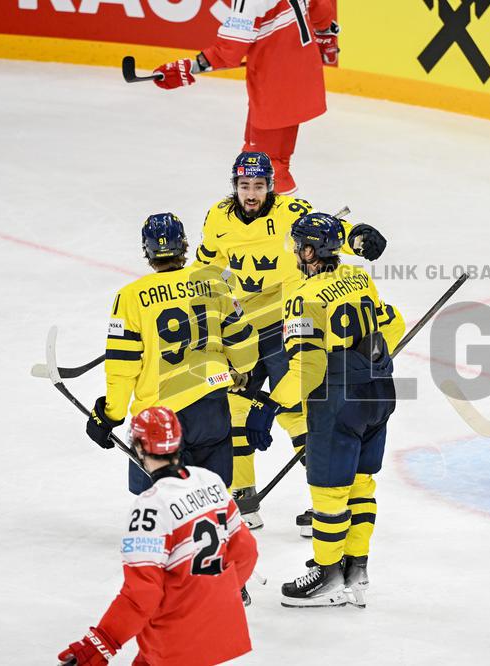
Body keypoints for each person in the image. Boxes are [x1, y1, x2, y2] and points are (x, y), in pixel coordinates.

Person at [195, 152, 388, 529]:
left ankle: (320, 500)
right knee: (234, 409)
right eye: (244, 186)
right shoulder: (217, 216)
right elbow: (207, 263)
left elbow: (328, 231)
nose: (251, 194)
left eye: (259, 186)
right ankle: (243, 498)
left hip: (288, 322)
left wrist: (359, 237)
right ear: (234, 186)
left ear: (271, 185)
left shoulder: (291, 210)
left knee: (296, 413)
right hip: (241, 327)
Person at [244, 212, 404, 608]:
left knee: (330, 493)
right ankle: (357, 569)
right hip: (380, 393)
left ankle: (328, 574)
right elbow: (393, 324)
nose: (295, 251)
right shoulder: (359, 278)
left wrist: (271, 405)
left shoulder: (303, 297)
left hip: (339, 401)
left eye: (299, 245)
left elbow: (307, 367)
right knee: (363, 484)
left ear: (312, 251)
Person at [59, 407, 258, 666]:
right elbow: (246, 552)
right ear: (177, 440)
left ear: (139, 448)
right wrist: (210, 602)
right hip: (218, 630)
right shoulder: (210, 481)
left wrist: (101, 644)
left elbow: (142, 594)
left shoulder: (151, 508)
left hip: (174, 640)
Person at [85, 213, 258, 495]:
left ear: (147, 250)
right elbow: (243, 341)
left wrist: (109, 415)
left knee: (164, 501)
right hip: (211, 405)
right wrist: (242, 370)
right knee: (213, 496)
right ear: (185, 245)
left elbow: (122, 366)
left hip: (159, 417)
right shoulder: (214, 281)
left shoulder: (130, 297)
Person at [152, 0, 340, 194]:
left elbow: (229, 51)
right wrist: (325, 35)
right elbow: (322, 10)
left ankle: (285, 220)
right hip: (302, 73)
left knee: (262, 165)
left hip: (274, 85)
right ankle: (285, 217)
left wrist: (188, 68)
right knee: (277, 160)